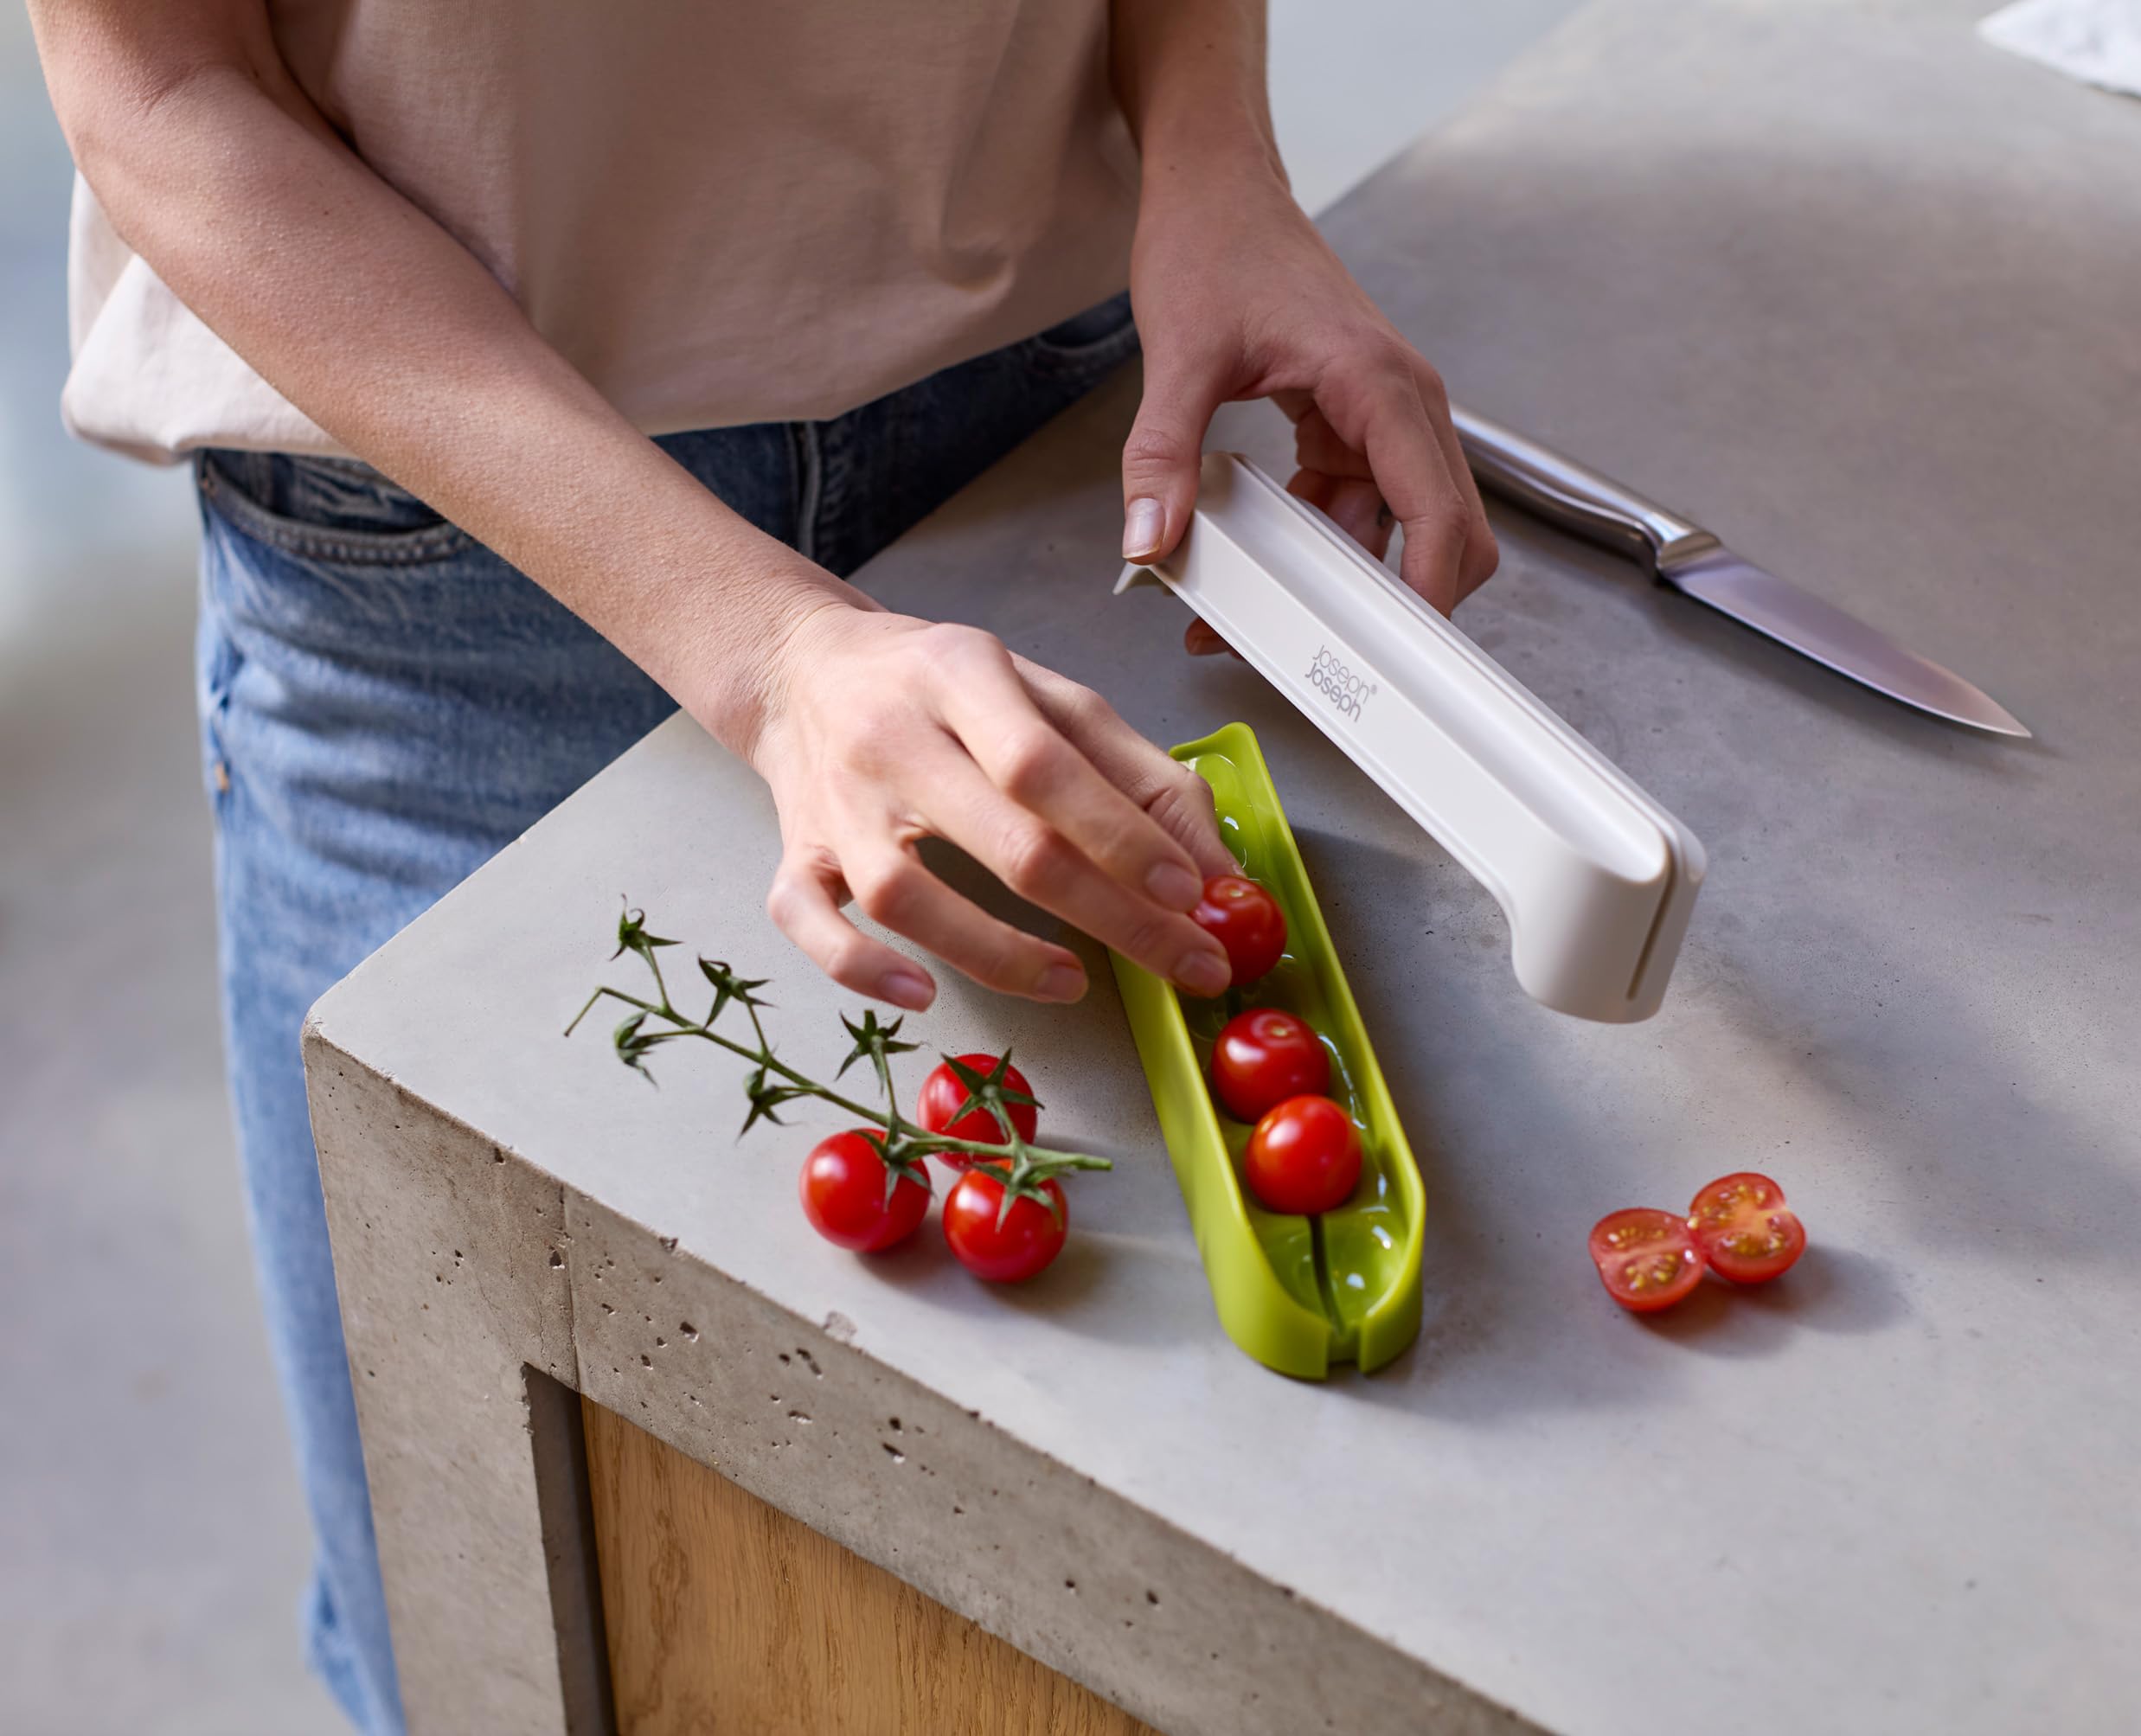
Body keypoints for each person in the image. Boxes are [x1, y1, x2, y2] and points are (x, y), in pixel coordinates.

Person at [30, 2, 1498, 1728]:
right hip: (450, 564)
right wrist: (765, 645)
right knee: (483, 1636)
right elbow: (165, 82)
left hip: (1045, 400)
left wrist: (1214, 160)